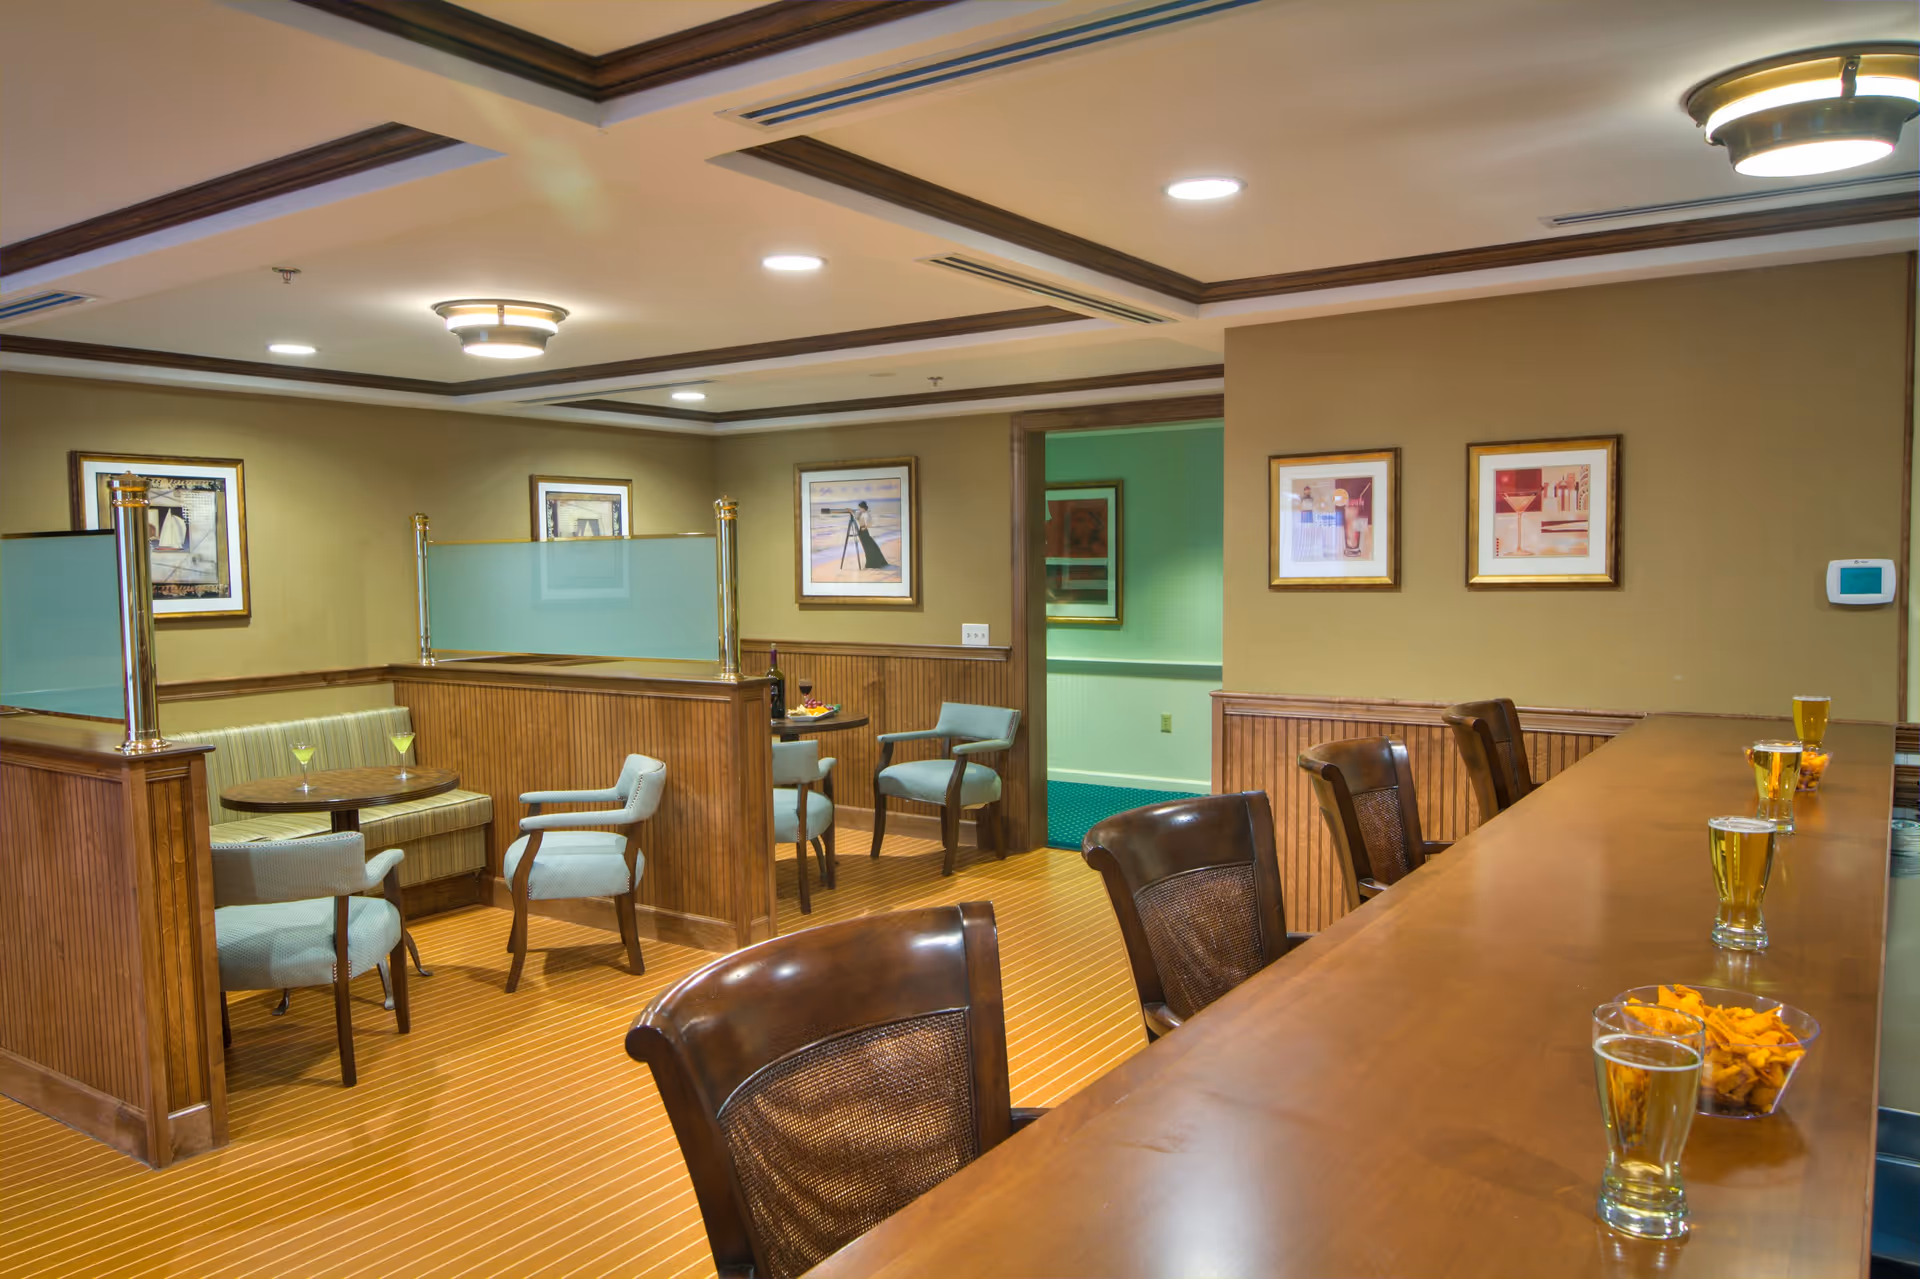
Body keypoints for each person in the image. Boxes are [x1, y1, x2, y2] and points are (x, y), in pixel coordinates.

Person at [854, 501, 890, 569]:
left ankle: (872, 565)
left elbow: (869, 524)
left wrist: (863, 528)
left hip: (864, 532)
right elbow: (857, 518)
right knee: (868, 548)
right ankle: (872, 564)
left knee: (869, 549)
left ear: (863, 507)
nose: (859, 509)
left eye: (860, 508)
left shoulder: (866, 514)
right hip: (862, 532)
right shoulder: (862, 513)